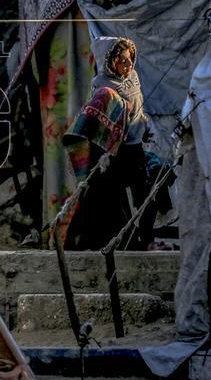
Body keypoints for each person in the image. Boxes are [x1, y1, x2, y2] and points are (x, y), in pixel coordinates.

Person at [61, 37, 156, 250]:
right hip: (115, 152)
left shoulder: (133, 78)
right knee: (110, 200)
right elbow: (97, 121)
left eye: (130, 59)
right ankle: (121, 243)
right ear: (109, 61)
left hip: (135, 147)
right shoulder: (102, 88)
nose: (128, 64)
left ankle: (147, 238)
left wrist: (145, 127)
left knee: (147, 195)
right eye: (122, 60)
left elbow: (138, 108)